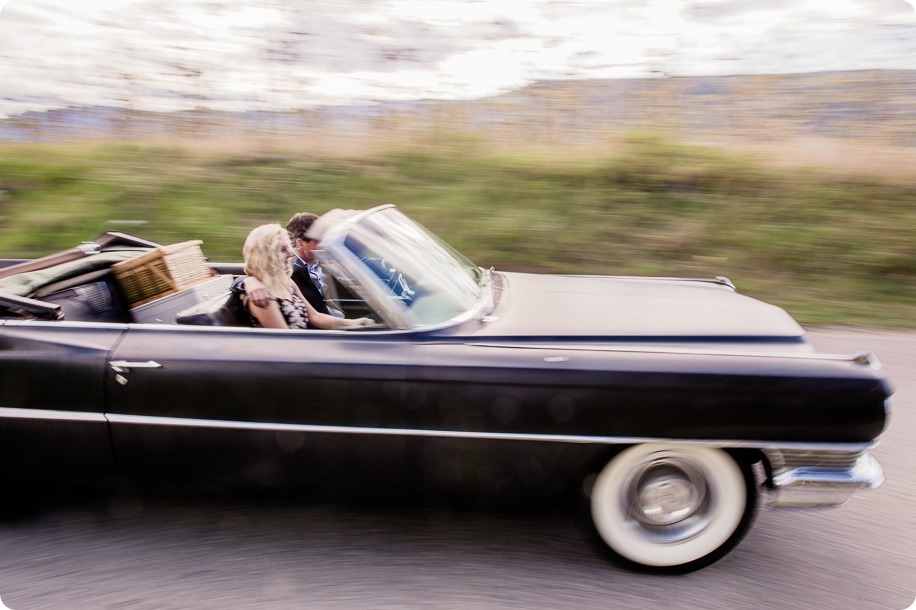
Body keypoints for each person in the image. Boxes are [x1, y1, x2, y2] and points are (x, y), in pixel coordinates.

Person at [241, 223, 371, 330]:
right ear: (265, 255)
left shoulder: (286, 282)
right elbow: (283, 339)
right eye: (283, 250)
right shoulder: (260, 297)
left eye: (289, 248)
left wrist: (356, 324)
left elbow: (315, 317)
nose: (291, 254)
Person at [241, 212, 343, 317]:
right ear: (300, 243)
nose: (324, 244)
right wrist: (248, 281)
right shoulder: (286, 267)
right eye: (319, 240)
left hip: (328, 314)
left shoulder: (325, 261)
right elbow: (255, 273)